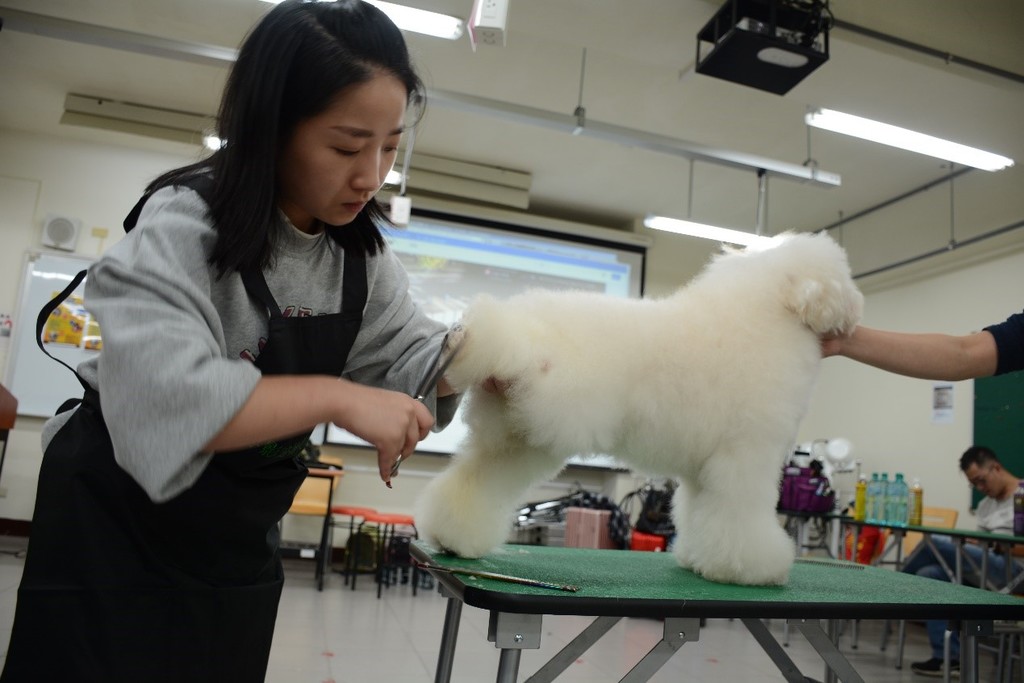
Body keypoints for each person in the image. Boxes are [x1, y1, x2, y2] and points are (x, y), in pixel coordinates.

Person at [1, 2, 458, 680]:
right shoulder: (184, 225)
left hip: (232, 548)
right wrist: (334, 396)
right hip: (113, 534)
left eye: (389, 146)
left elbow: (412, 358)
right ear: (272, 127)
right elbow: (168, 396)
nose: (372, 175)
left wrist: (488, 356)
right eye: (346, 145)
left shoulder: (359, 260)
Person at [895, 446, 1023, 676]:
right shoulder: (985, 505)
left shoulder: (1022, 495)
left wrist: (998, 546)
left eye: (982, 481)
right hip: (984, 570)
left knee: (935, 541)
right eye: (974, 485)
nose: (981, 488)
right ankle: (948, 659)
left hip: (1015, 574)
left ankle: (894, 586)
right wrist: (975, 543)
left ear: (996, 468)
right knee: (929, 575)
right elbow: (979, 548)